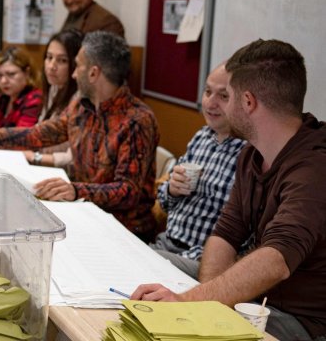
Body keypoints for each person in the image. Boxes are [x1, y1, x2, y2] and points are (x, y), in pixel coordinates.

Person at [132, 40, 326, 341]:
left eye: (229, 96)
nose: (219, 104)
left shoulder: (314, 167)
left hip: (299, 321)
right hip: (255, 301)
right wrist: (206, 305)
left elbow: (277, 259)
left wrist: (190, 302)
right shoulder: (252, 155)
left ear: (248, 102)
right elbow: (226, 233)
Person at [0, 31, 158, 241]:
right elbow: (38, 135)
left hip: (124, 232)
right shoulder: (81, 104)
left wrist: (75, 191)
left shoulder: (137, 120)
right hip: (83, 214)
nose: (73, 74)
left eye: (77, 66)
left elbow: (127, 191)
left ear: (94, 73)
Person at [151, 64, 245, 278]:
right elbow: (163, 202)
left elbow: (242, 237)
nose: (211, 103)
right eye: (208, 91)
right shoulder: (202, 137)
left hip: (199, 258)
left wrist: (190, 257)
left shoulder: (249, 154)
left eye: (223, 96)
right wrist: (172, 190)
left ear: (244, 102)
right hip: (167, 242)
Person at [21, 29, 82, 168]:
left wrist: (34, 157)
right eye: (49, 57)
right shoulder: (54, 87)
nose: (51, 66)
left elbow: (73, 158)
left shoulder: (81, 99)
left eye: (62, 60)